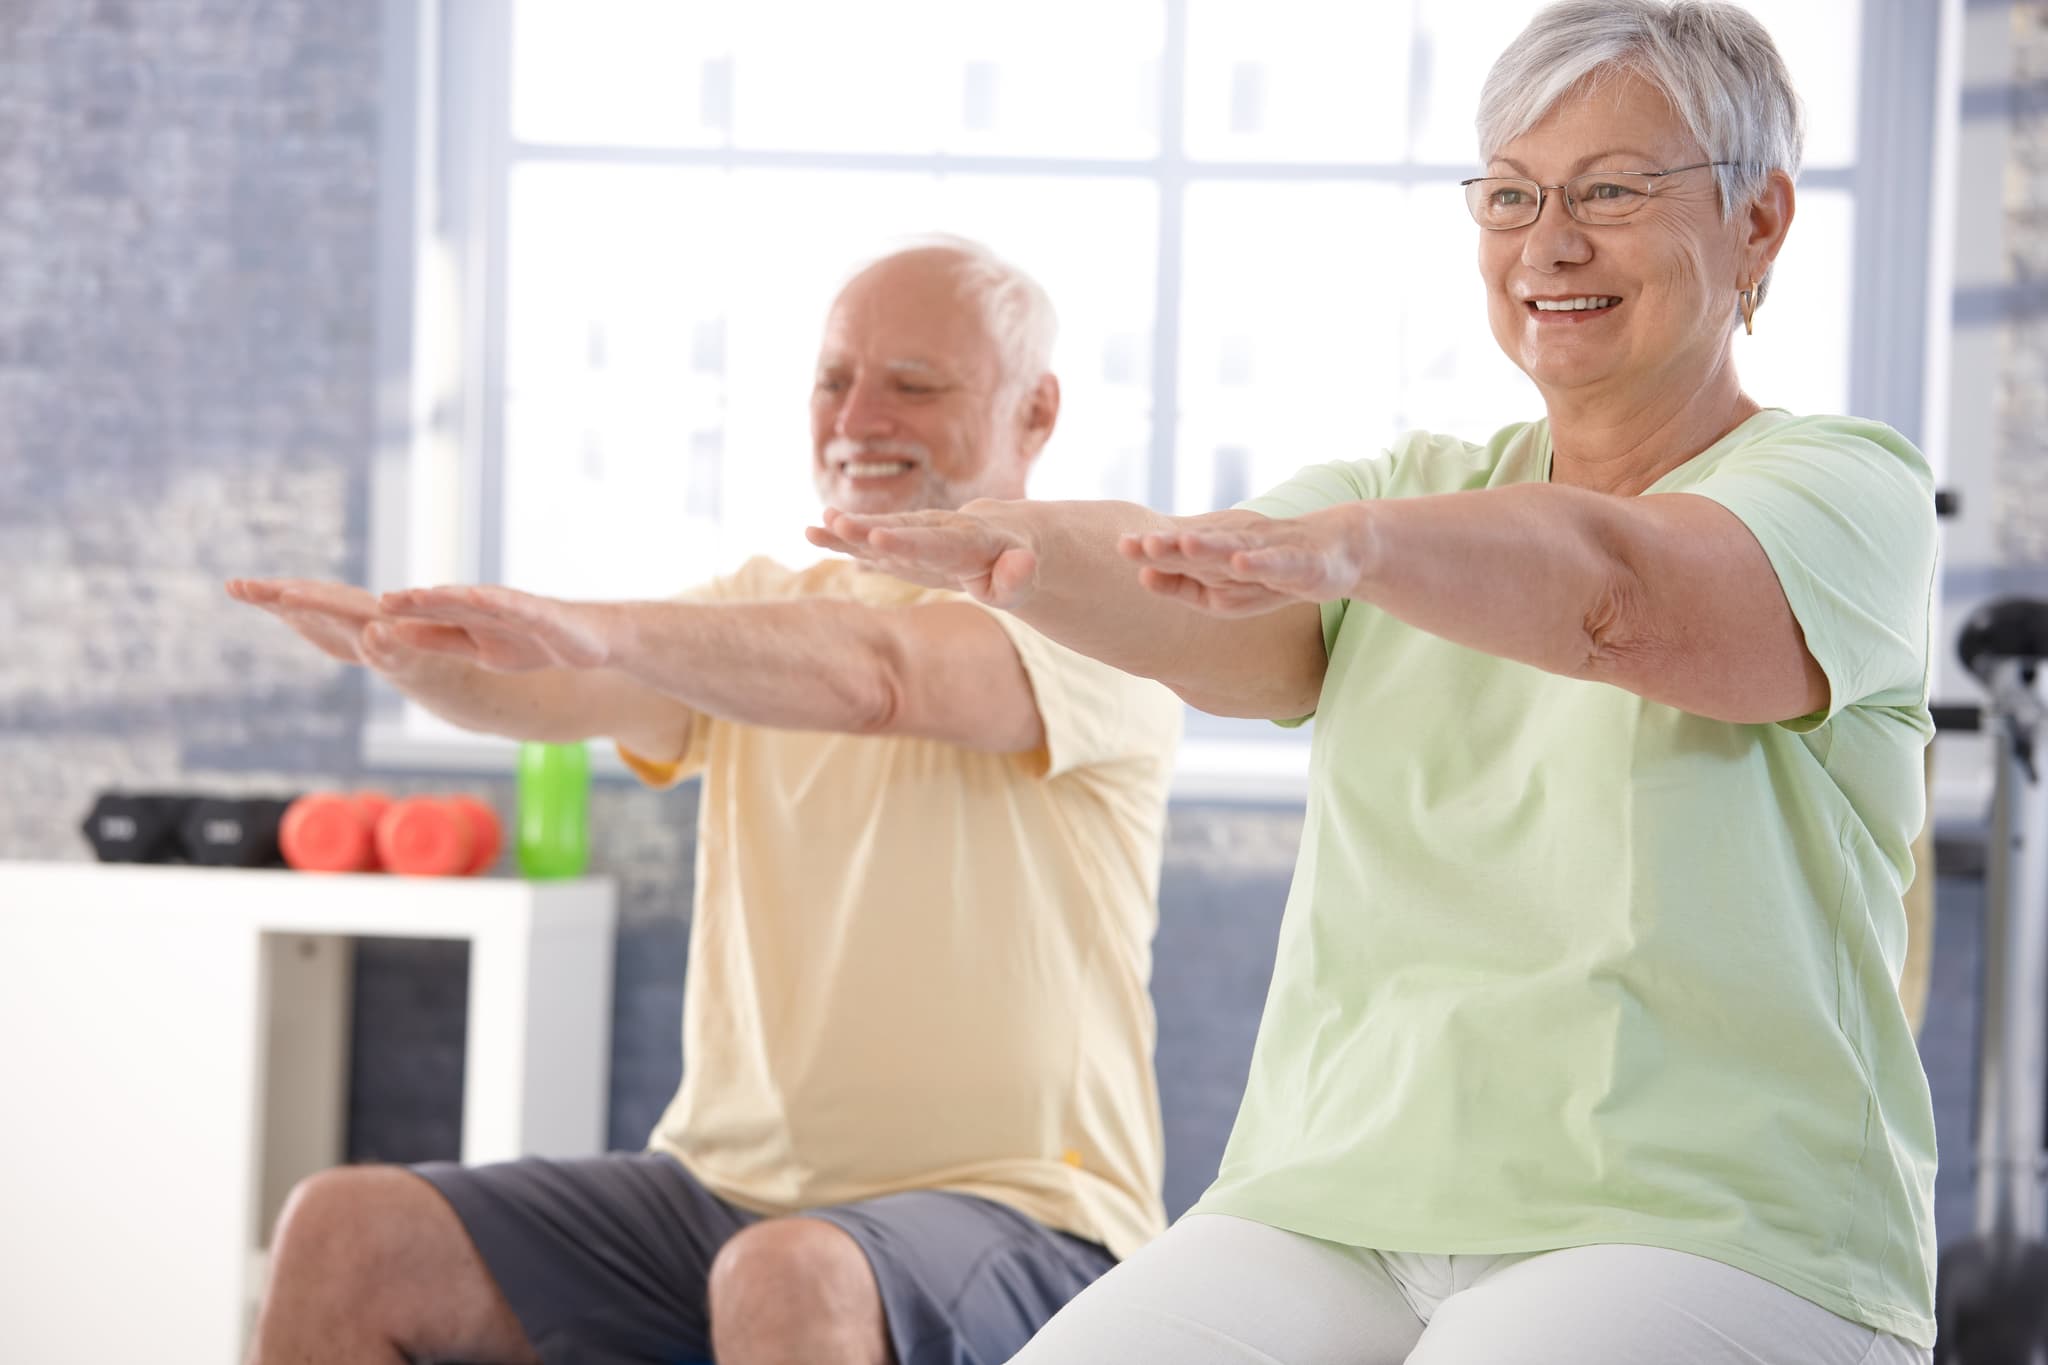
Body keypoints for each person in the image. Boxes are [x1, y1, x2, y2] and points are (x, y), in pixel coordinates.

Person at [813, 5, 1937, 1362]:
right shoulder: (1406, 494)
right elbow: (1213, 607)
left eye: (1612, 192)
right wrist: (1028, 556)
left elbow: (1619, 597)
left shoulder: (1841, 489)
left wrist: (1357, 552)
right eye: (1511, 196)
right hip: (1341, 1200)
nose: (1550, 243)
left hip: (1713, 1218)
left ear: (1760, 222)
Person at [227, 237, 1184, 1365]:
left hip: (1025, 1215)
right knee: (348, 1233)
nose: (858, 415)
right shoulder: (756, 618)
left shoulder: (1101, 605)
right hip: (720, 1193)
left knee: (787, 1274)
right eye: (833, 380)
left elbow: (884, 675)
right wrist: (411, 651)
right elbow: (563, 682)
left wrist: (614, 624)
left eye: (913, 385)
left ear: (1035, 412)